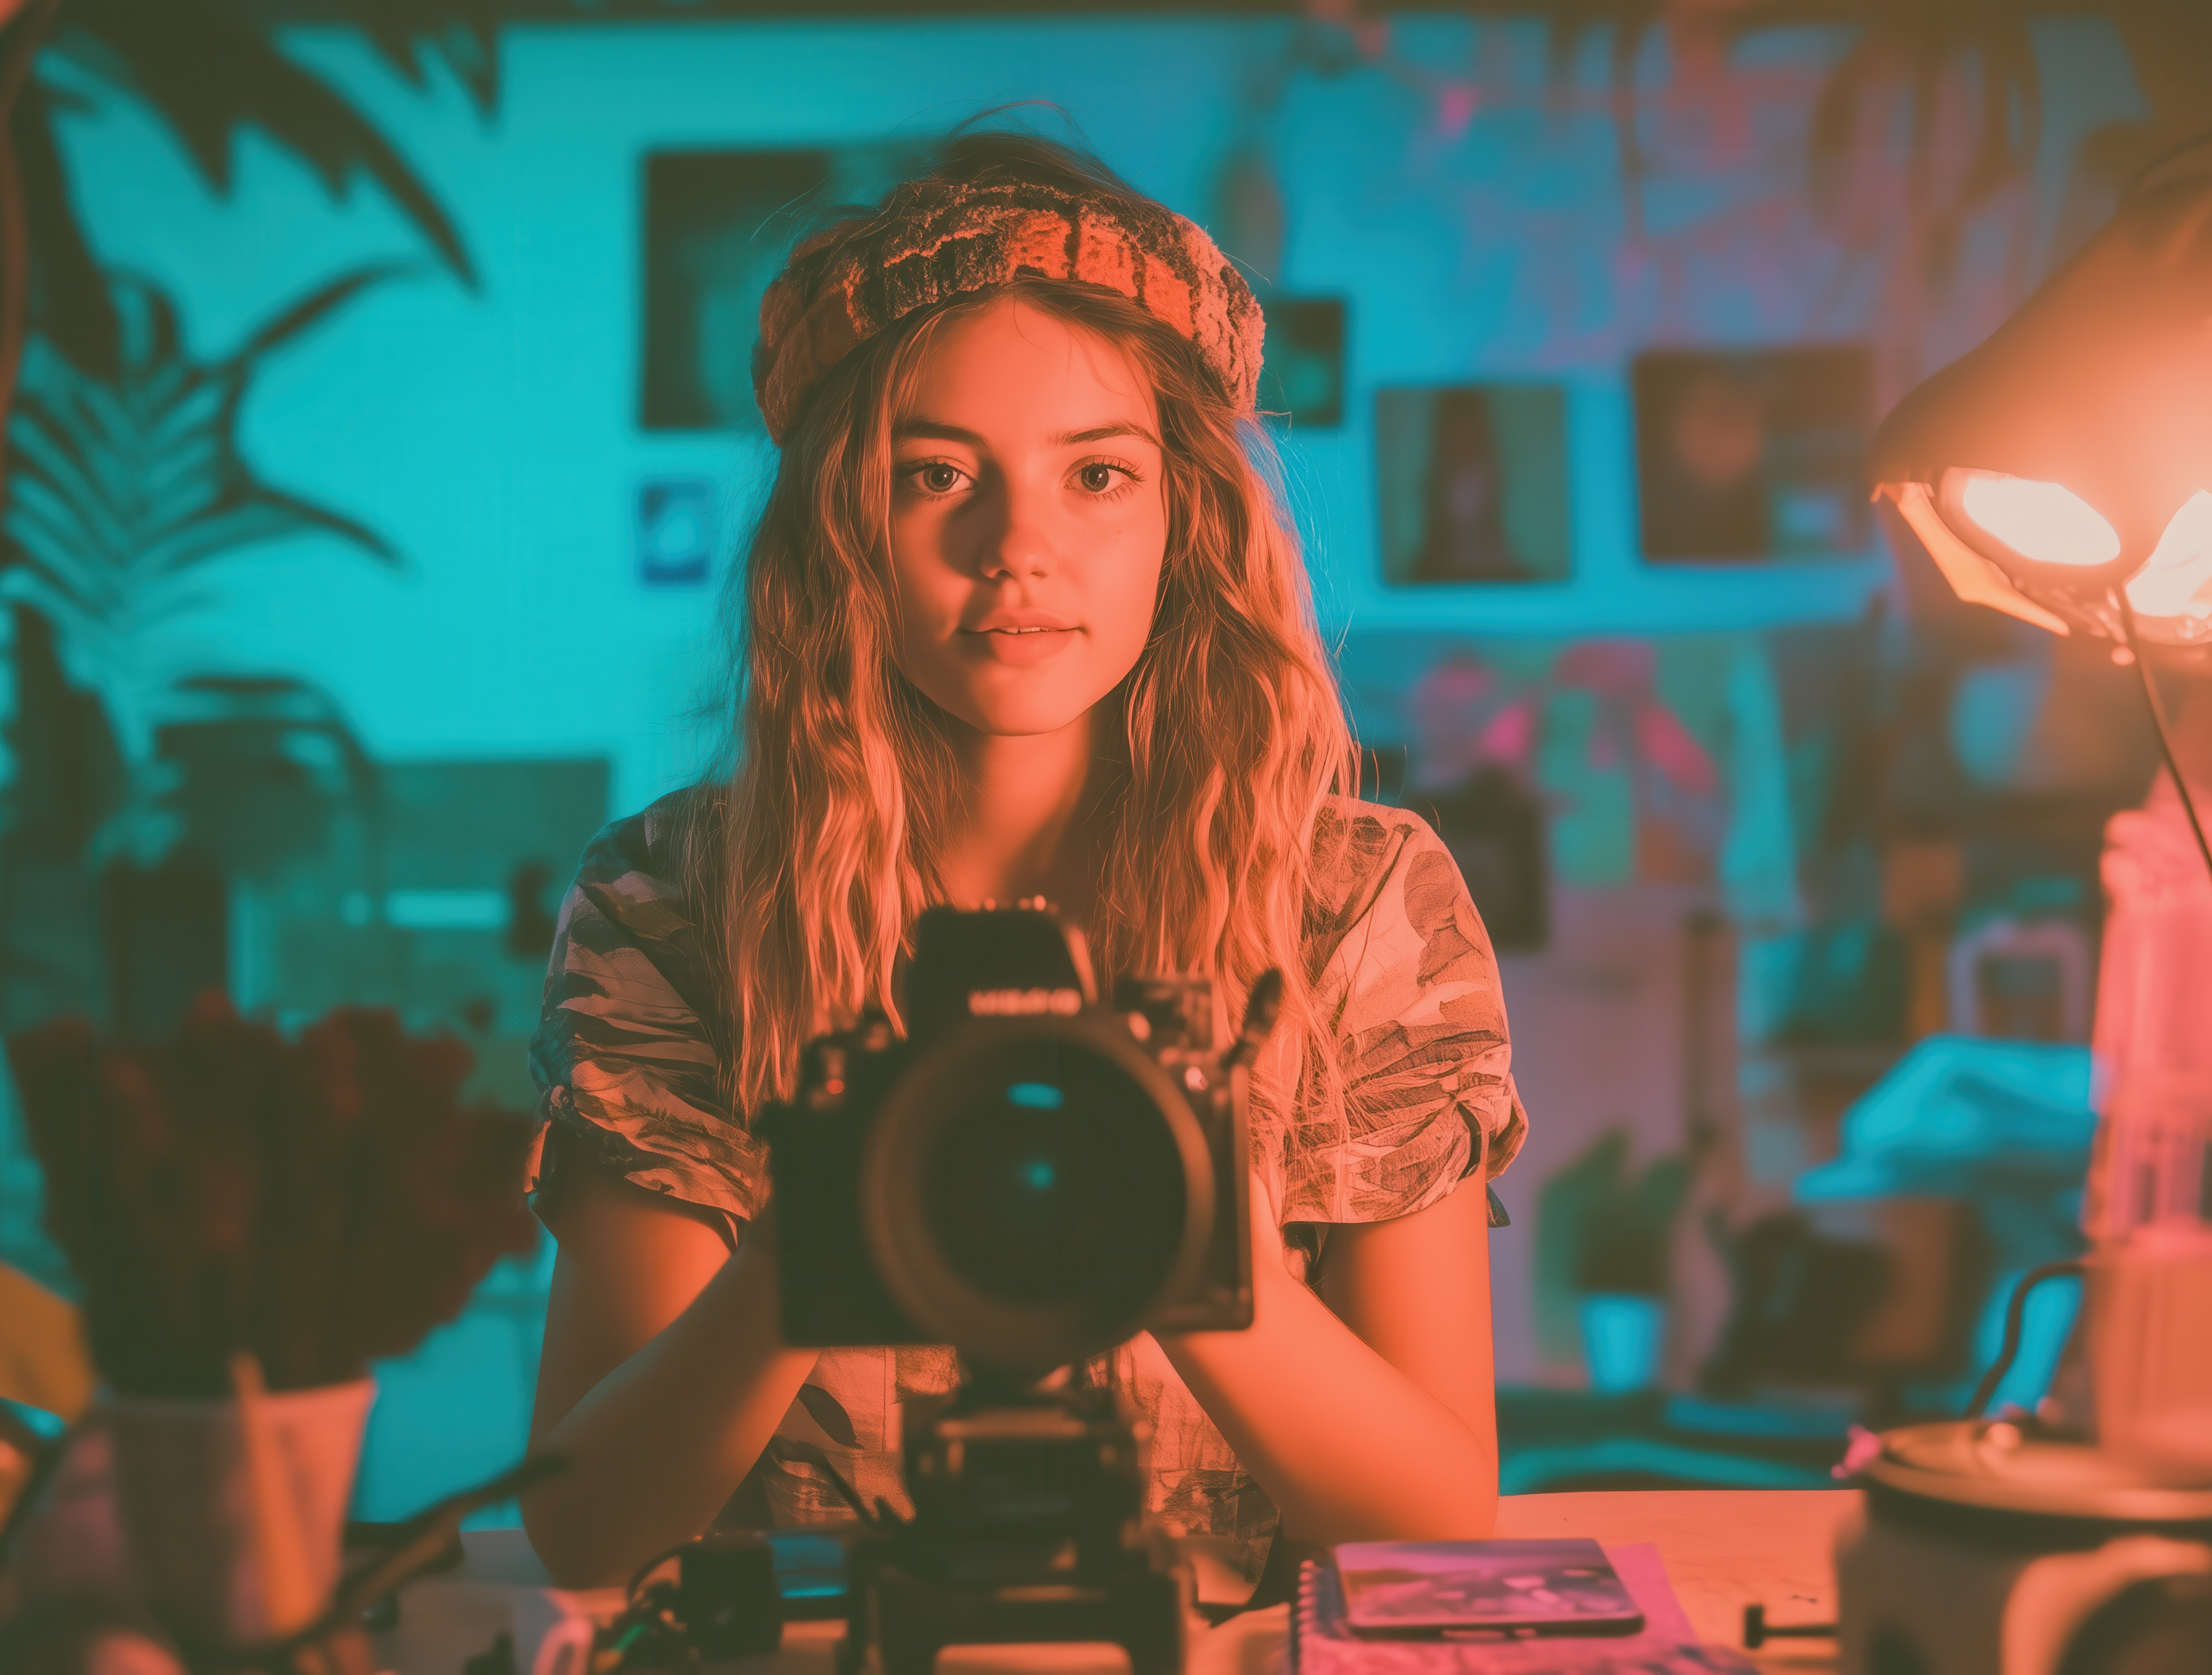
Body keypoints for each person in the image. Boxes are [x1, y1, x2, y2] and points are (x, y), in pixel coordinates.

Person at [522, 130, 1529, 1596]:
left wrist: (1182, 1231)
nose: (1019, 548)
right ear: (839, 529)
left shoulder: (1354, 903)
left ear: (1189, 521)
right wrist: (826, 1226)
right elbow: (589, 1528)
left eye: (1099, 476)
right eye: (937, 473)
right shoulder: (673, 903)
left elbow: (1437, 1524)